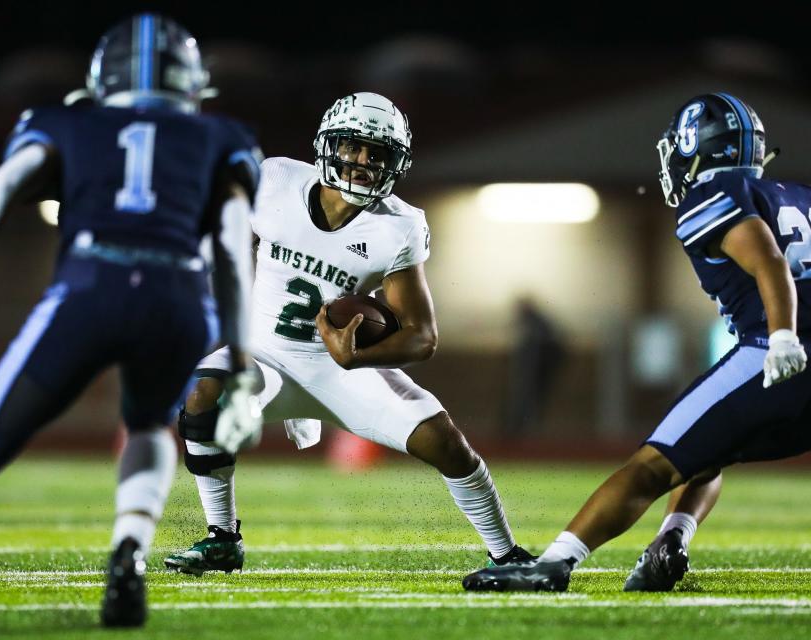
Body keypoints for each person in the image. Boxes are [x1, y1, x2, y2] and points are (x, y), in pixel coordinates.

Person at [0, 13, 262, 631]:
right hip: (178, 297)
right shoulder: (220, 137)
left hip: (90, 286)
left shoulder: (67, 120)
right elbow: (234, 247)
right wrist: (237, 365)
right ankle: (129, 549)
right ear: (191, 81)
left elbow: (2, 186)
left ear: (105, 76)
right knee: (151, 425)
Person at [163, 92, 532, 577]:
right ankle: (221, 538)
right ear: (327, 146)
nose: (362, 162)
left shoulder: (398, 225)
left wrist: (355, 355)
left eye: (376, 153)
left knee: (444, 442)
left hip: (341, 368)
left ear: (394, 163)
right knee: (200, 394)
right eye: (353, 147)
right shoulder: (275, 181)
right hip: (264, 358)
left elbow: (422, 337)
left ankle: (507, 556)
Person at [462, 92, 810, 593]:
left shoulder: (711, 195)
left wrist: (780, 336)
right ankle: (672, 538)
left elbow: (768, 260)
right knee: (707, 452)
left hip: (775, 352)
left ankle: (553, 564)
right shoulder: (798, 195)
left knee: (652, 464)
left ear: (696, 147)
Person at [504, 296, 566, 435]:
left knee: (528, 398)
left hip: (540, 367)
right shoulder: (536, 321)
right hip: (538, 366)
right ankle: (520, 428)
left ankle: (522, 429)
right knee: (528, 398)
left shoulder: (536, 322)